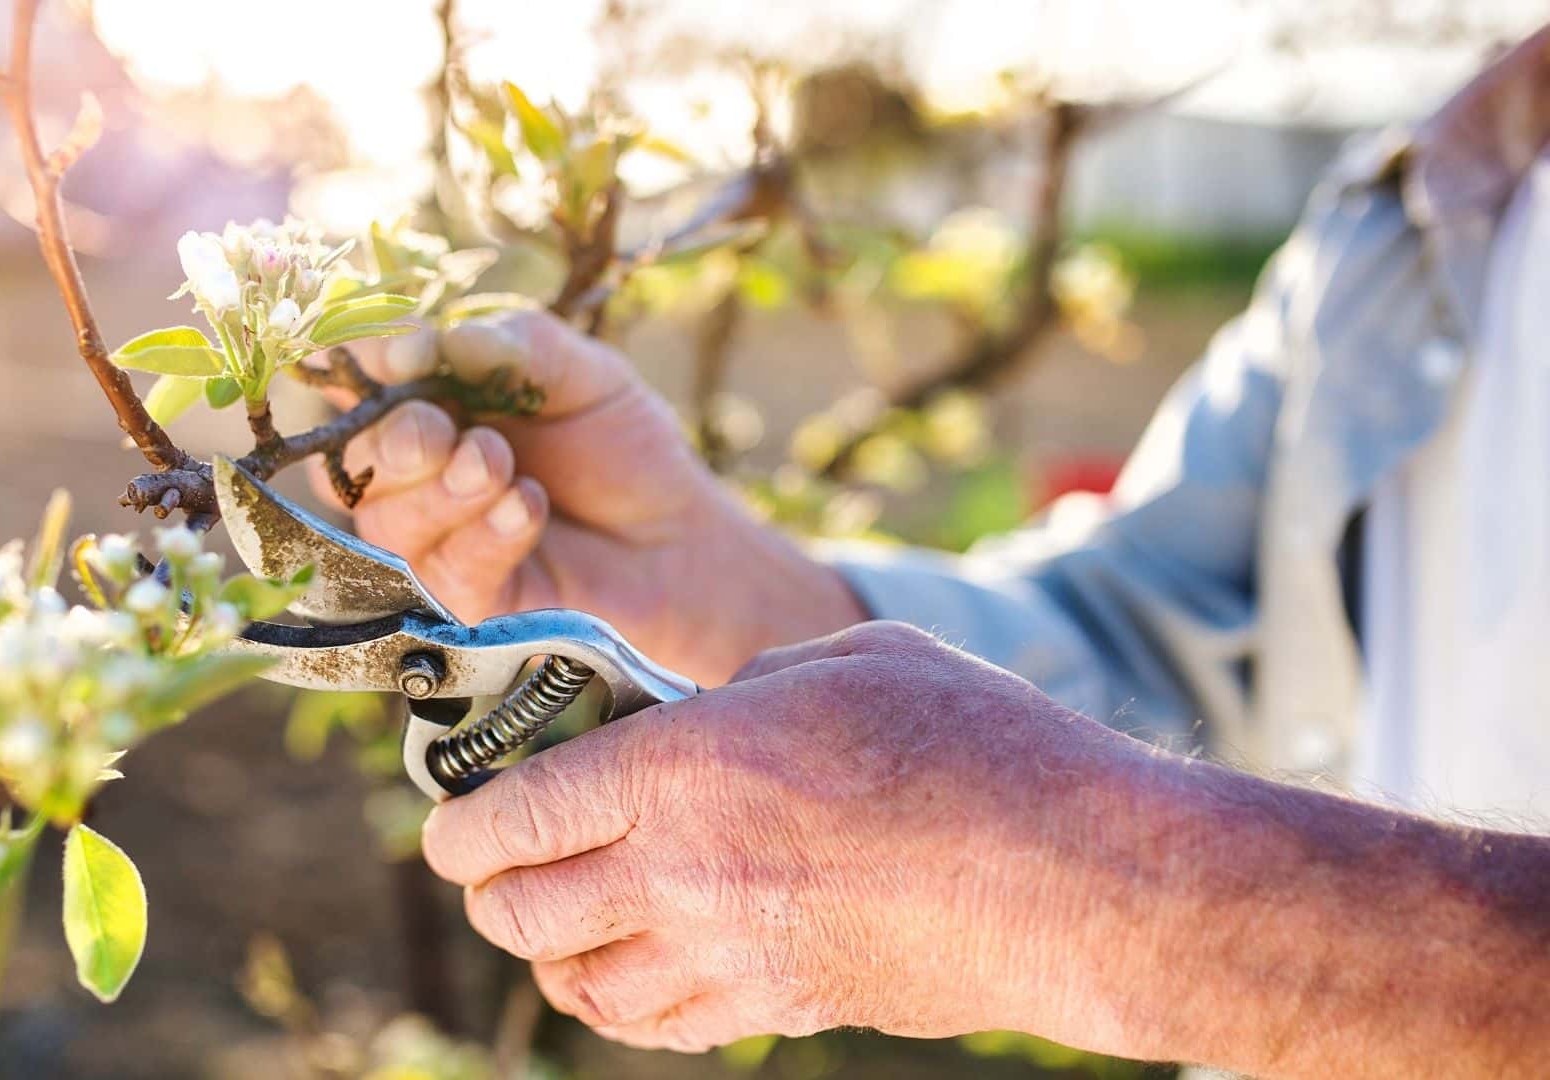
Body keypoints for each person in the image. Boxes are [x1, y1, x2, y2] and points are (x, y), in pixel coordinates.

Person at [312, 27, 1550, 1074]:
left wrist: (1090, 886)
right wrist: (708, 579)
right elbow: (1164, 636)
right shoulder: (1427, 208)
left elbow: (1099, 828)